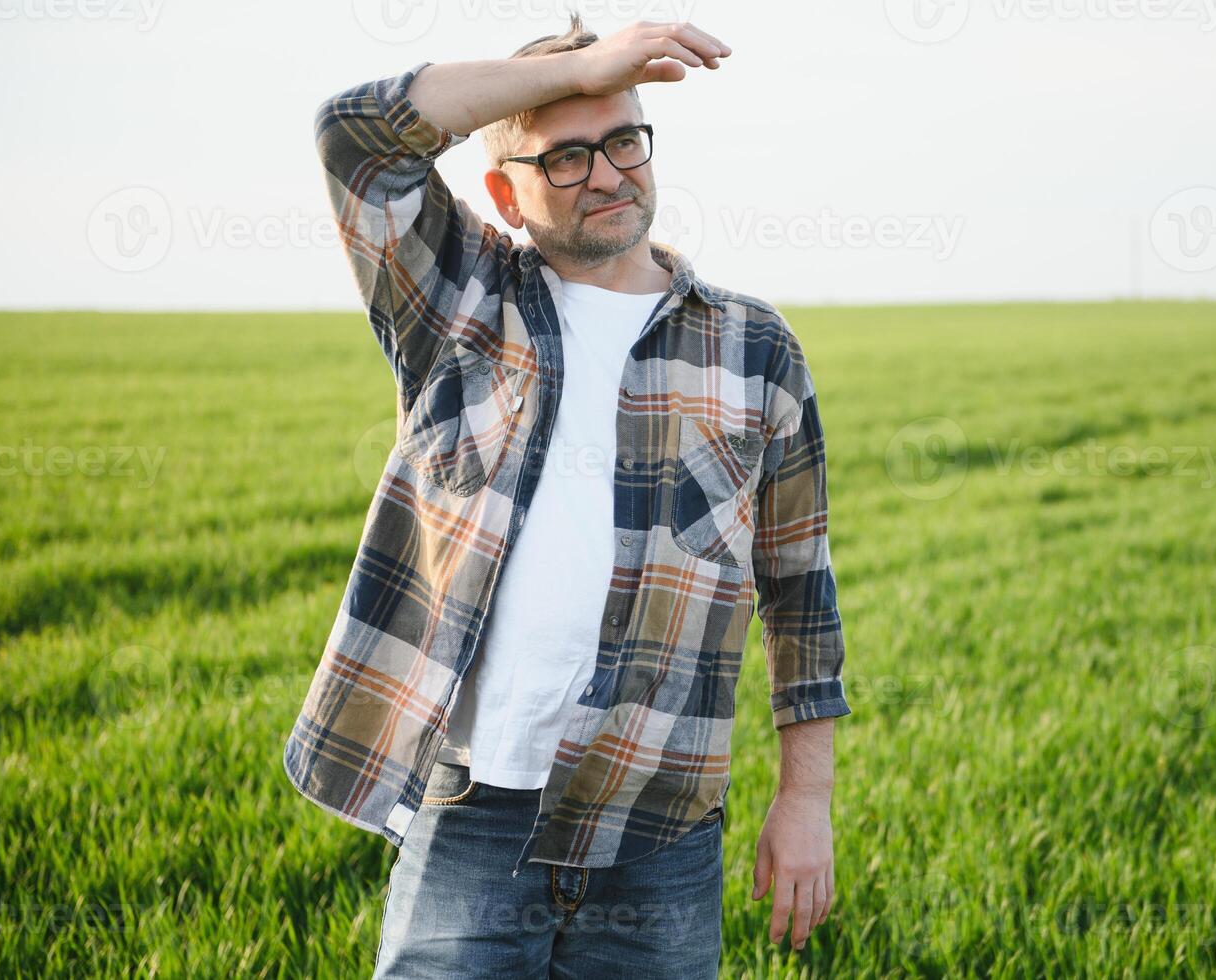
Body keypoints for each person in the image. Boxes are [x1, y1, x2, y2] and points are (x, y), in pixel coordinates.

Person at [282, 16, 853, 978]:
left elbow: (800, 592)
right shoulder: (457, 301)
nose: (607, 172)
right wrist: (585, 67)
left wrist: (806, 801)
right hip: (472, 818)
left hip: (661, 830)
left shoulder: (754, 348)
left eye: (623, 138)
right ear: (504, 193)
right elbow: (355, 135)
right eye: (566, 155)